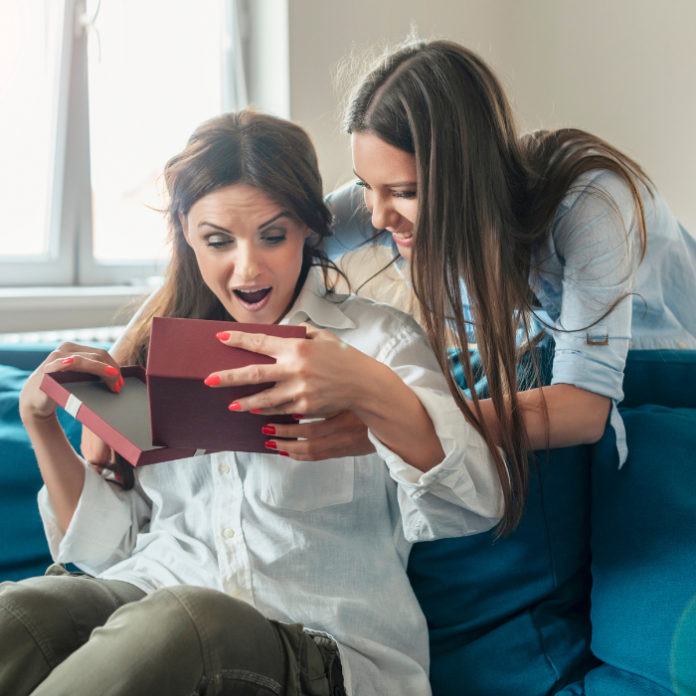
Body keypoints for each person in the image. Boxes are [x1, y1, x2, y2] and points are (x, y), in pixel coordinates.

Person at [1, 111, 503, 696]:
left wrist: (366, 388)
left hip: (321, 647)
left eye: (273, 235)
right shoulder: (147, 355)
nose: (248, 268)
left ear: (310, 230)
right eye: (218, 241)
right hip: (150, 603)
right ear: (186, 232)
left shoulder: (376, 341)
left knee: (182, 621)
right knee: (23, 612)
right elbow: (106, 550)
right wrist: (41, 422)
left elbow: (473, 503)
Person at [326, 38, 696, 535]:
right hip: (571, 379)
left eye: (404, 192)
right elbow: (283, 232)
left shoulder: (590, 202)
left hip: (669, 378)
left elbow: (585, 408)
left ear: (465, 178)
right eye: (365, 186)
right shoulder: (392, 189)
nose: (375, 214)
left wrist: (397, 419)